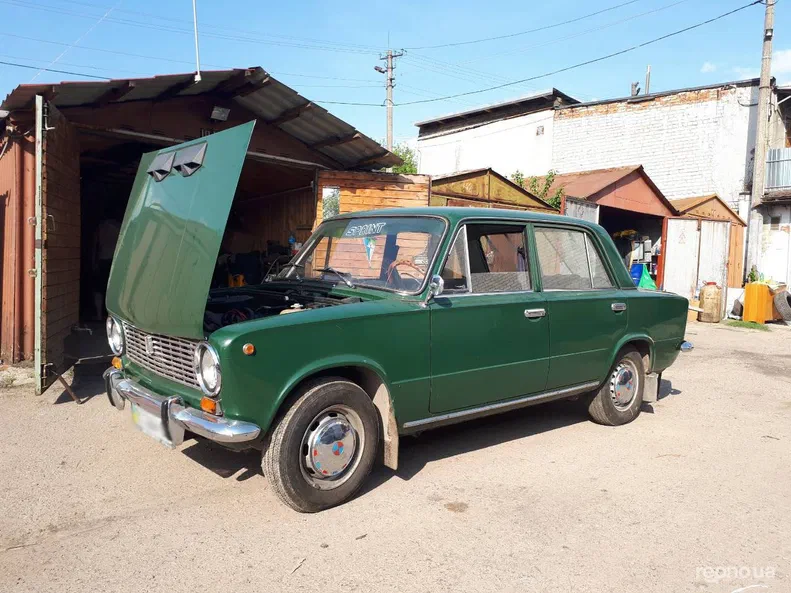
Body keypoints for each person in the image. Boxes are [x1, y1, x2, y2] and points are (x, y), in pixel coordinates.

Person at [93, 216, 121, 321]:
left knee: (98, 289)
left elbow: (95, 246)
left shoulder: (101, 227)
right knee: (114, 289)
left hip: (102, 260)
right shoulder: (119, 227)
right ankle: (113, 316)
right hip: (115, 262)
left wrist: (93, 263)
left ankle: (99, 315)